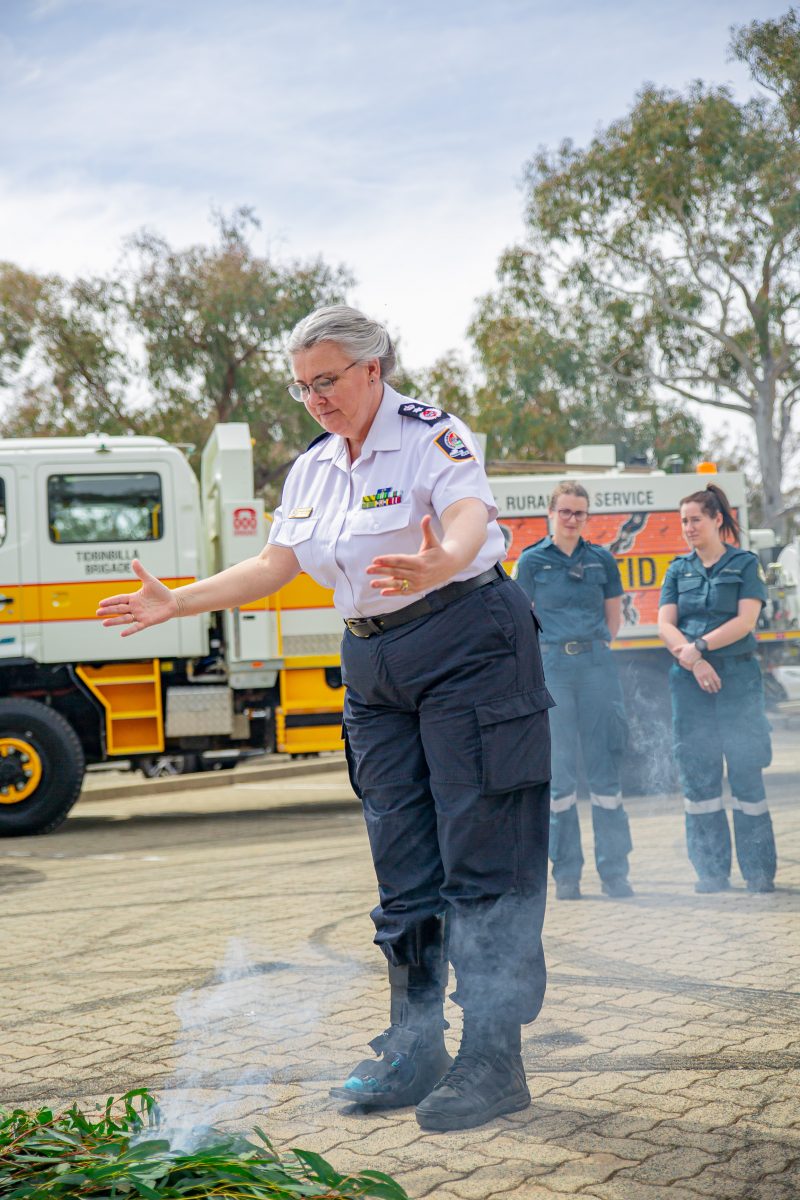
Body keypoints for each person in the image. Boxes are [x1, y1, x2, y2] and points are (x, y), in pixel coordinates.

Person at [97, 304, 553, 1133]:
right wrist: (177, 603)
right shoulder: (313, 468)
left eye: (328, 380)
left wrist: (441, 558)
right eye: (302, 386)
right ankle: (416, 1046)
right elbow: (276, 563)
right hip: (374, 663)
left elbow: (467, 516)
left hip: (467, 642)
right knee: (403, 862)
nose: (314, 398)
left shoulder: (430, 434)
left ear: (372, 369)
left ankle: (496, 1057)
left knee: (484, 850)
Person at [514, 482, 633, 901]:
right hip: (553, 670)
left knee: (605, 773)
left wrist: (594, 649)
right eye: (565, 511)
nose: (572, 519)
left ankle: (615, 872)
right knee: (560, 776)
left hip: (597, 668)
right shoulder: (530, 562)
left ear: (587, 518)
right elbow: (521, 621)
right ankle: (566, 874)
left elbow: (613, 618)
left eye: (579, 513)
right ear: (551, 513)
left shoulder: (602, 560)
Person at [657, 483, 777, 895]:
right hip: (690, 681)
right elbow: (665, 624)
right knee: (699, 779)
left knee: (746, 777)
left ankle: (759, 873)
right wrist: (695, 659)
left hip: (738, 681)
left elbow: (746, 621)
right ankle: (711, 873)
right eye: (684, 521)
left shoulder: (744, 565)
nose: (688, 528)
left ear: (717, 520)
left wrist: (701, 647)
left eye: (695, 520)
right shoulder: (678, 569)